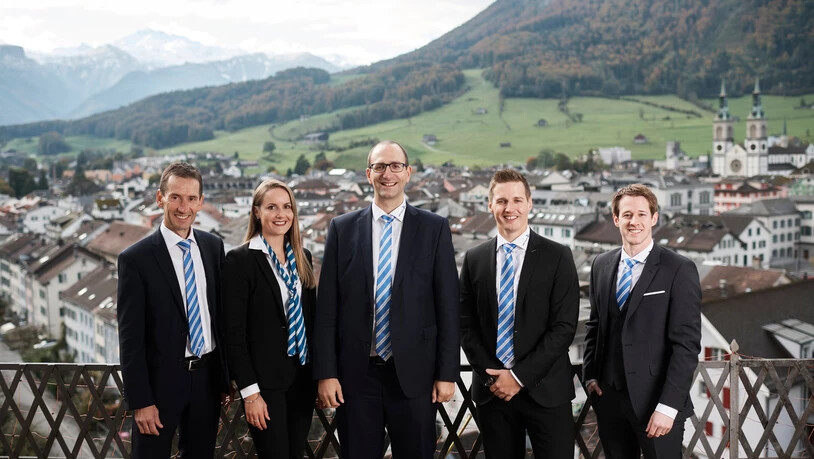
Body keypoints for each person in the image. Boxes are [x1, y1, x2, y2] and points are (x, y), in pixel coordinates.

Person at [313, 140, 460, 459]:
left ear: (408, 173)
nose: (387, 173)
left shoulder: (434, 228)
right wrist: (326, 372)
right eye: (379, 166)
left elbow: (448, 306)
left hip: (416, 376)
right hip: (356, 377)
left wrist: (447, 372)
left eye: (395, 166)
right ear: (368, 174)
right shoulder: (342, 229)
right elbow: (327, 310)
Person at [459, 169, 579, 458]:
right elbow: (464, 324)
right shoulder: (474, 259)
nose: (509, 208)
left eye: (516, 200)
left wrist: (518, 376)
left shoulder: (558, 256)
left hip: (546, 390)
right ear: (490, 205)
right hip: (493, 393)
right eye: (501, 201)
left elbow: (563, 327)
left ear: (529, 203)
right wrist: (494, 378)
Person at [117, 162, 229, 458]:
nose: (183, 207)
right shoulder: (135, 259)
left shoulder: (213, 247)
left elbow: (219, 317)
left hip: (207, 381)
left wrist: (225, 377)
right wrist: (140, 401)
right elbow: (130, 338)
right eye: (176, 197)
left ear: (201, 202)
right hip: (159, 385)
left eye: (191, 198)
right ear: (160, 198)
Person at [583, 184, 702, 458]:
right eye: (626, 215)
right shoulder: (601, 264)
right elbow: (594, 325)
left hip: (656, 404)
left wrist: (668, 406)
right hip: (609, 401)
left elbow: (686, 345)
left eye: (641, 214)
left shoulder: (678, 268)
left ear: (654, 218)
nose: (633, 221)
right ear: (616, 219)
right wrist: (590, 375)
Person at [222, 179, 317, 458]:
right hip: (264, 386)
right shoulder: (239, 261)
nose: (280, 214)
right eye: (271, 207)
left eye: (287, 207)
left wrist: (321, 376)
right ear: (256, 211)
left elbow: (311, 321)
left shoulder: (303, 257)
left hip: (302, 379)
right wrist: (250, 394)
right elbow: (233, 334)